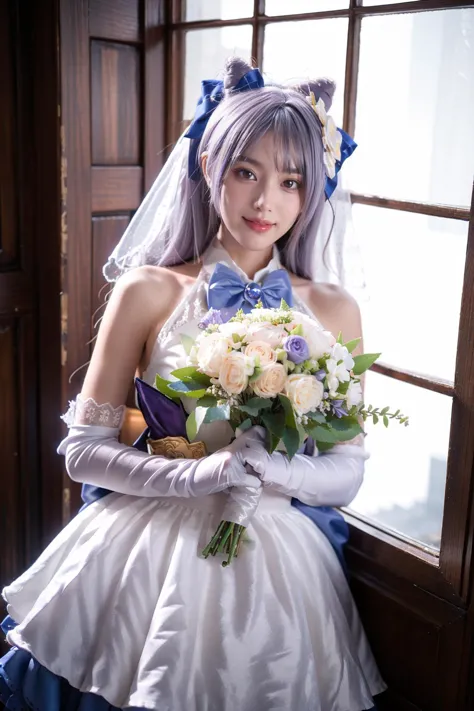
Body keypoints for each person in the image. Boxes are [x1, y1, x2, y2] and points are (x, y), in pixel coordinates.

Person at [0, 57, 386, 710]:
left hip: (281, 562)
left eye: (291, 181)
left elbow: (349, 469)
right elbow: (83, 450)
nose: (267, 201)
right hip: (146, 546)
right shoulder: (147, 289)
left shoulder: (335, 310)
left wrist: (273, 472)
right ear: (209, 168)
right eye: (247, 172)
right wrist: (195, 476)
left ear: (311, 192)